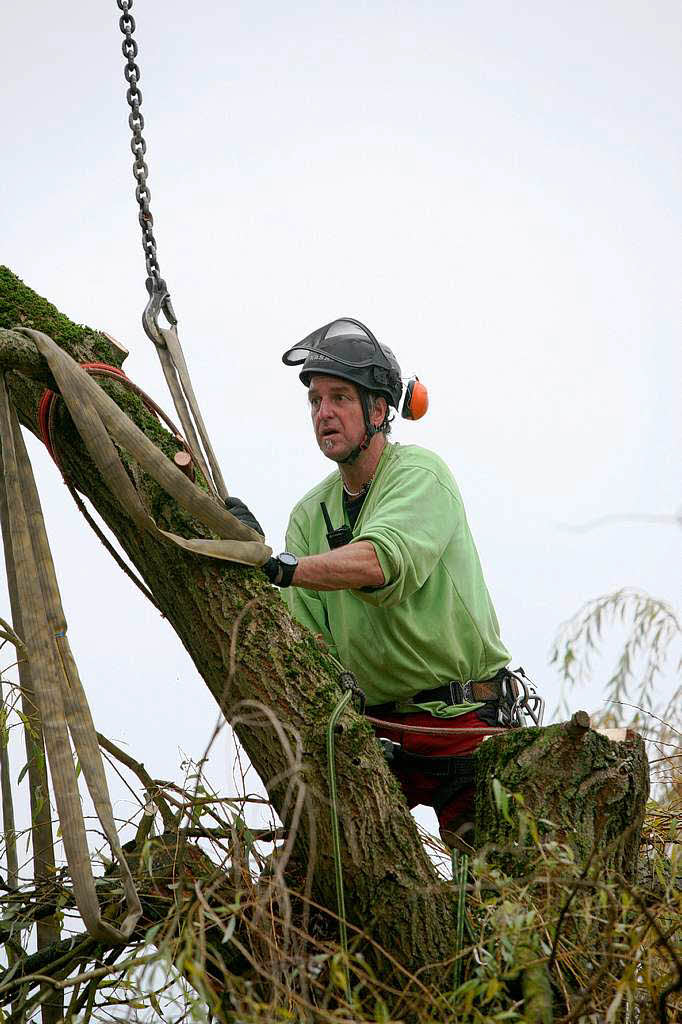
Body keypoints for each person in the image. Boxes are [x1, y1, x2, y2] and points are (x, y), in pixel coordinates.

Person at [257, 318, 521, 850]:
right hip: (374, 729)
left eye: (339, 398)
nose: (323, 412)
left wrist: (284, 567)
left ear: (380, 410)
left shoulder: (421, 475)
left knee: (492, 893)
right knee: (320, 882)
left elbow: (381, 563)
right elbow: (302, 642)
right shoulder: (310, 515)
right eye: (314, 401)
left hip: (460, 722)